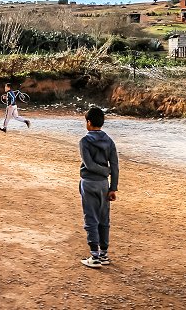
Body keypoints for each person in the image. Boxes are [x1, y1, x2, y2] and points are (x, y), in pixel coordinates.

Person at [79, 105, 119, 268]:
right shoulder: (109, 141)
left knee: (91, 218)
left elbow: (88, 164)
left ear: (89, 122)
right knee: (104, 219)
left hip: (89, 183)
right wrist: (113, 187)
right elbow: (115, 166)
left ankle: (94, 256)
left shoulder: (84, 141)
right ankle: (104, 254)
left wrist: (104, 170)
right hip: (104, 185)